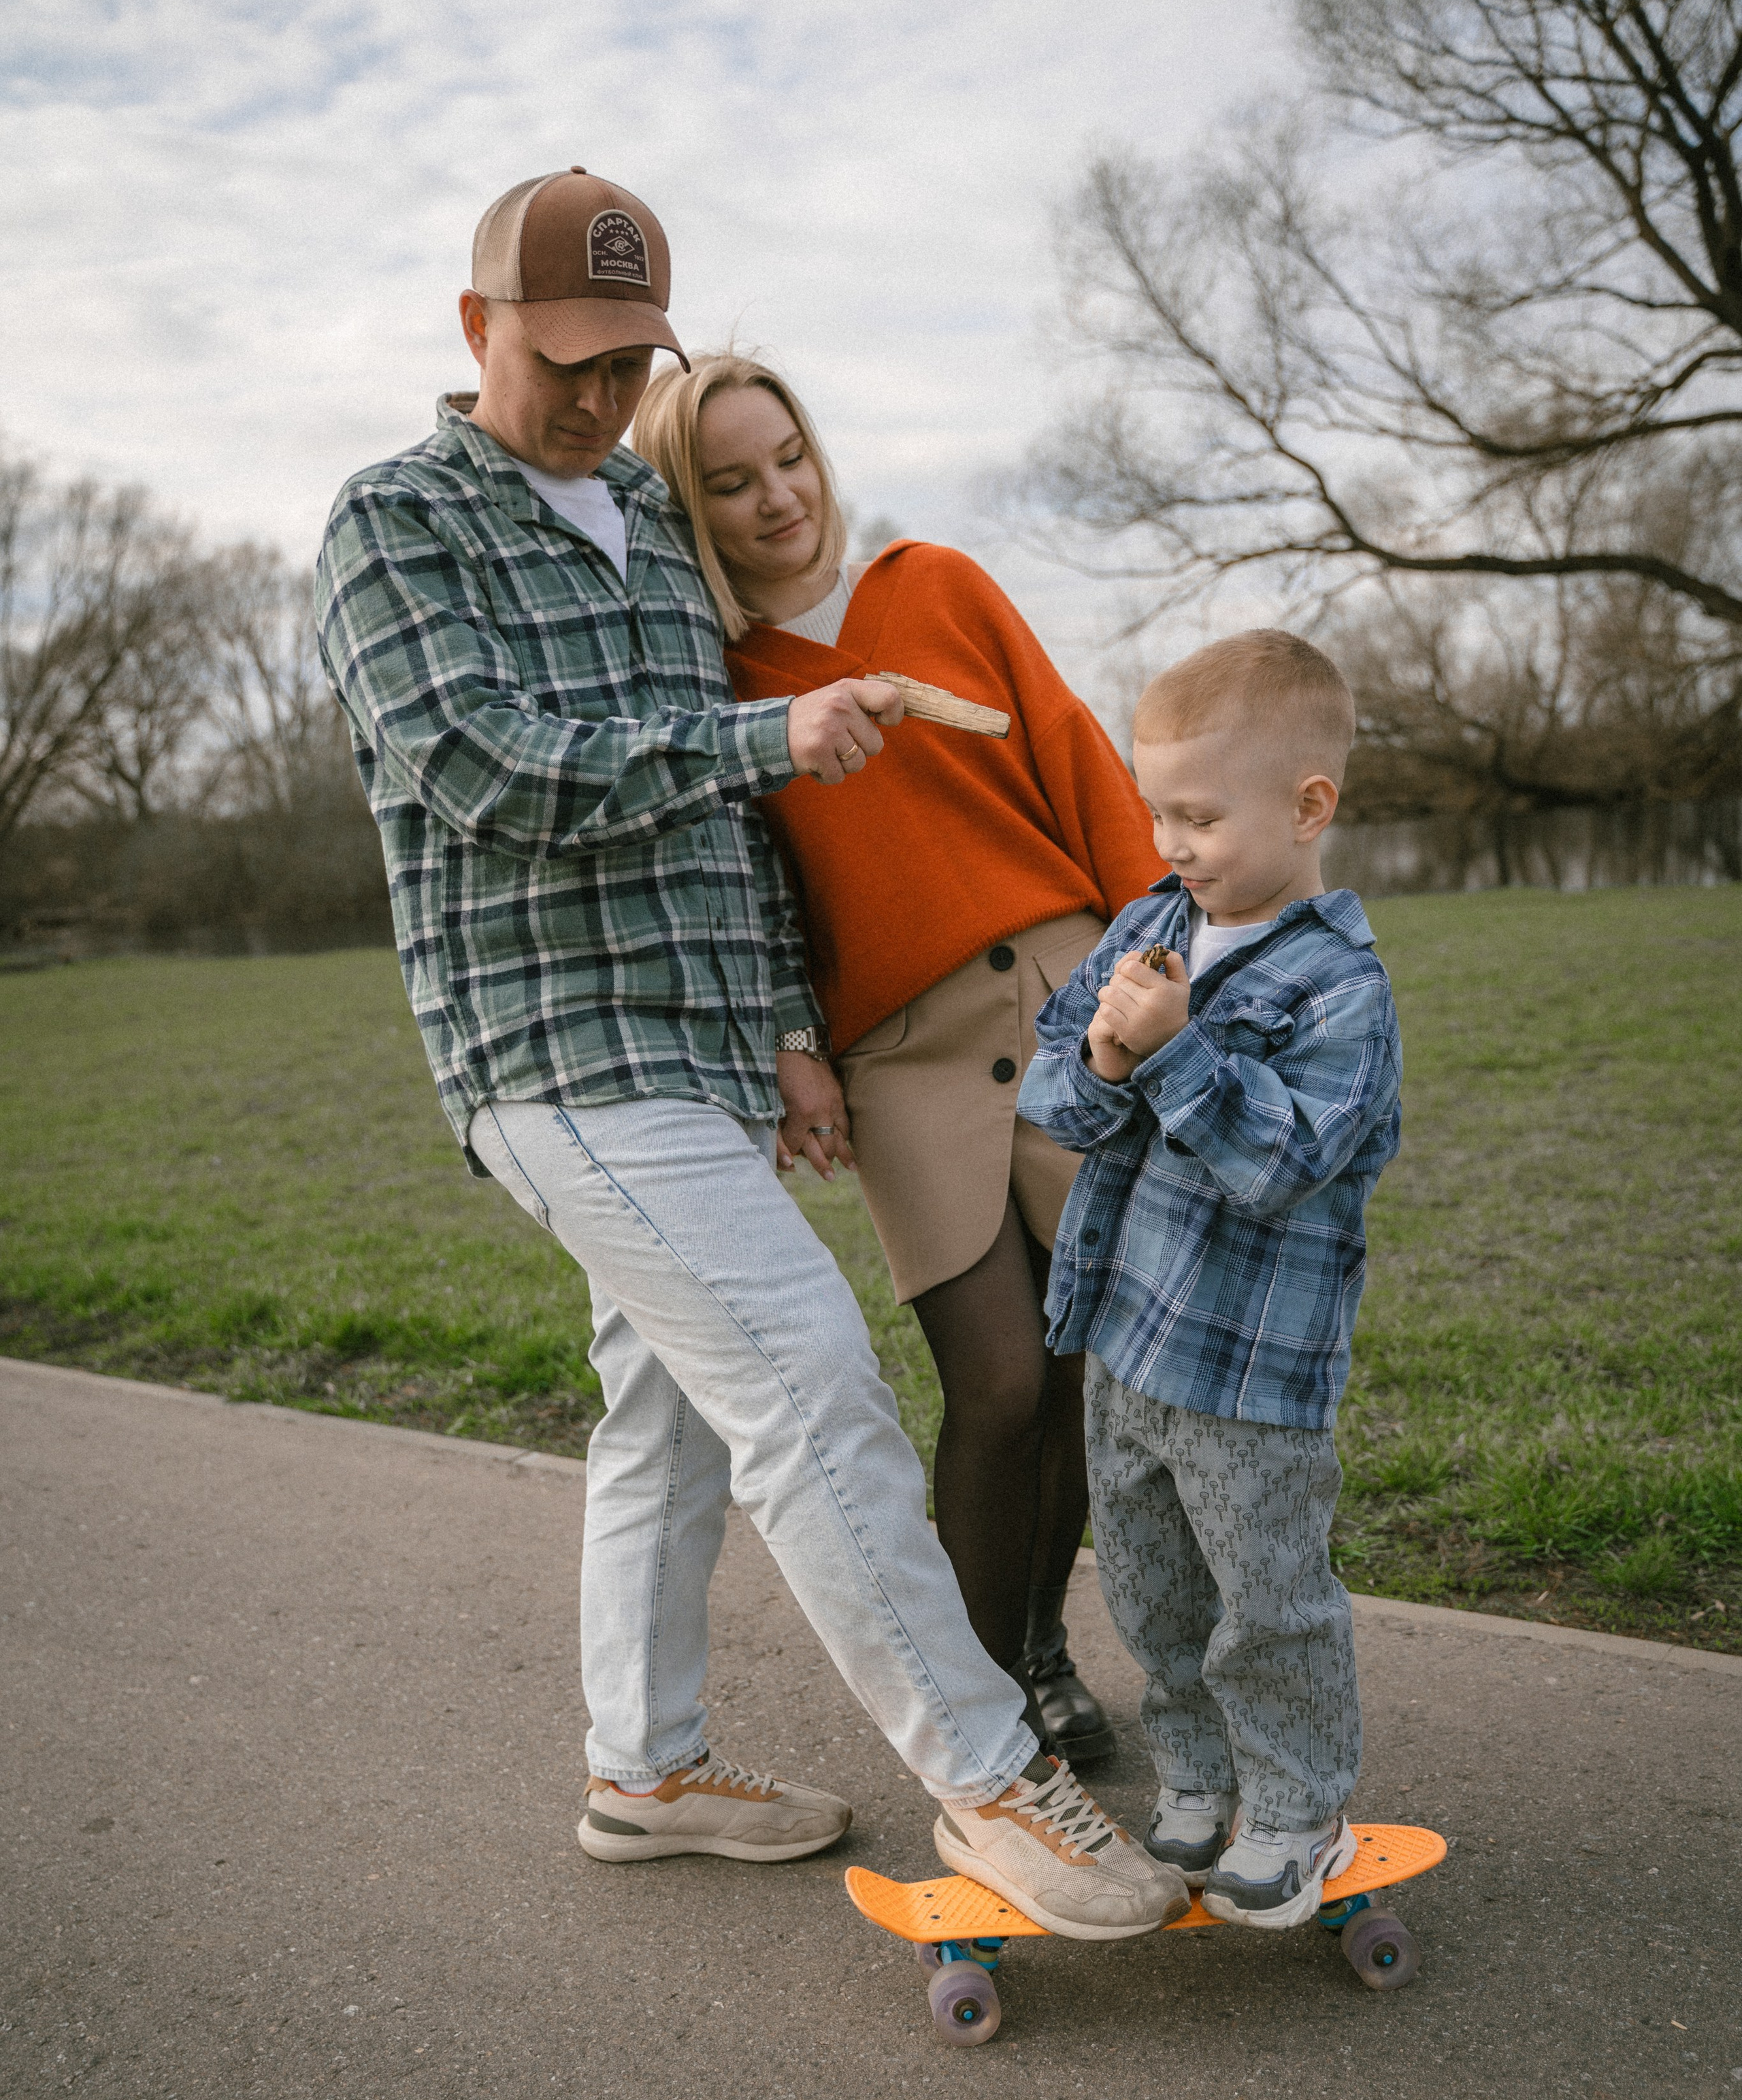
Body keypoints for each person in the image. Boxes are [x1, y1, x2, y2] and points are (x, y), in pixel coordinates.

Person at [314, 163, 1183, 1944]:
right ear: (476, 326)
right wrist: (769, 734)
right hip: (558, 1046)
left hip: (703, 1053)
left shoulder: (650, 522)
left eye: (626, 360)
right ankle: (992, 1772)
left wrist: (785, 1025)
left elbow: (731, 835)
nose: (595, 394)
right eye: (562, 356)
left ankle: (645, 1769)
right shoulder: (397, 523)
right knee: (805, 1372)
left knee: (664, 1411)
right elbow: (481, 763)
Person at [632, 350, 1160, 1763]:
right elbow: (750, 893)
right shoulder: (724, 687)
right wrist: (793, 1042)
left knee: (1081, 1373)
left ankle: (1040, 1653)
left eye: (788, 458)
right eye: (729, 482)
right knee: (998, 1381)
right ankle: (982, 1729)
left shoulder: (938, 585)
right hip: (903, 1057)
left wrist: (1161, 960)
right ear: (689, 506)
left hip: (1070, 1004)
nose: (776, 497)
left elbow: (1078, 760)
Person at [1017, 631, 1402, 1928]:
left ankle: (1297, 1806)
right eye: (1157, 812)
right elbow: (1058, 1092)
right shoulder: (1151, 923)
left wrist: (1175, 1053)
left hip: (1250, 1364)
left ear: (1308, 806)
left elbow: (1282, 1165)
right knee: (1151, 1585)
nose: (1171, 842)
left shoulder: (1342, 990)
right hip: (1128, 1335)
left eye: (1199, 816)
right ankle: (1196, 1772)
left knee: (1268, 1597)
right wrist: (1109, 1059)